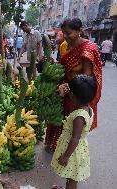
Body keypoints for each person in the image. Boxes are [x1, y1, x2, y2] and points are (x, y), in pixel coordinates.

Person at [45, 18, 102, 153]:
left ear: (79, 31)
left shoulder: (87, 49)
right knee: (59, 117)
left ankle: (68, 152)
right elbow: (64, 66)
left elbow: (87, 76)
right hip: (64, 88)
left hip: (76, 91)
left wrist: (68, 87)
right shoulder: (66, 45)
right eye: (63, 32)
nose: (65, 36)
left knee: (71, 122)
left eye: (68, 33)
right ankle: (56, 145)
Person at [51, 74, 97, 189]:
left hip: (73, 151)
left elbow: (75, 138)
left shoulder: (79, 117)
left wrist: (66, 156)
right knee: (71, 173)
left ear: (72, 95)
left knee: (72, 178)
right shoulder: (88, 109)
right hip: (78, 148)